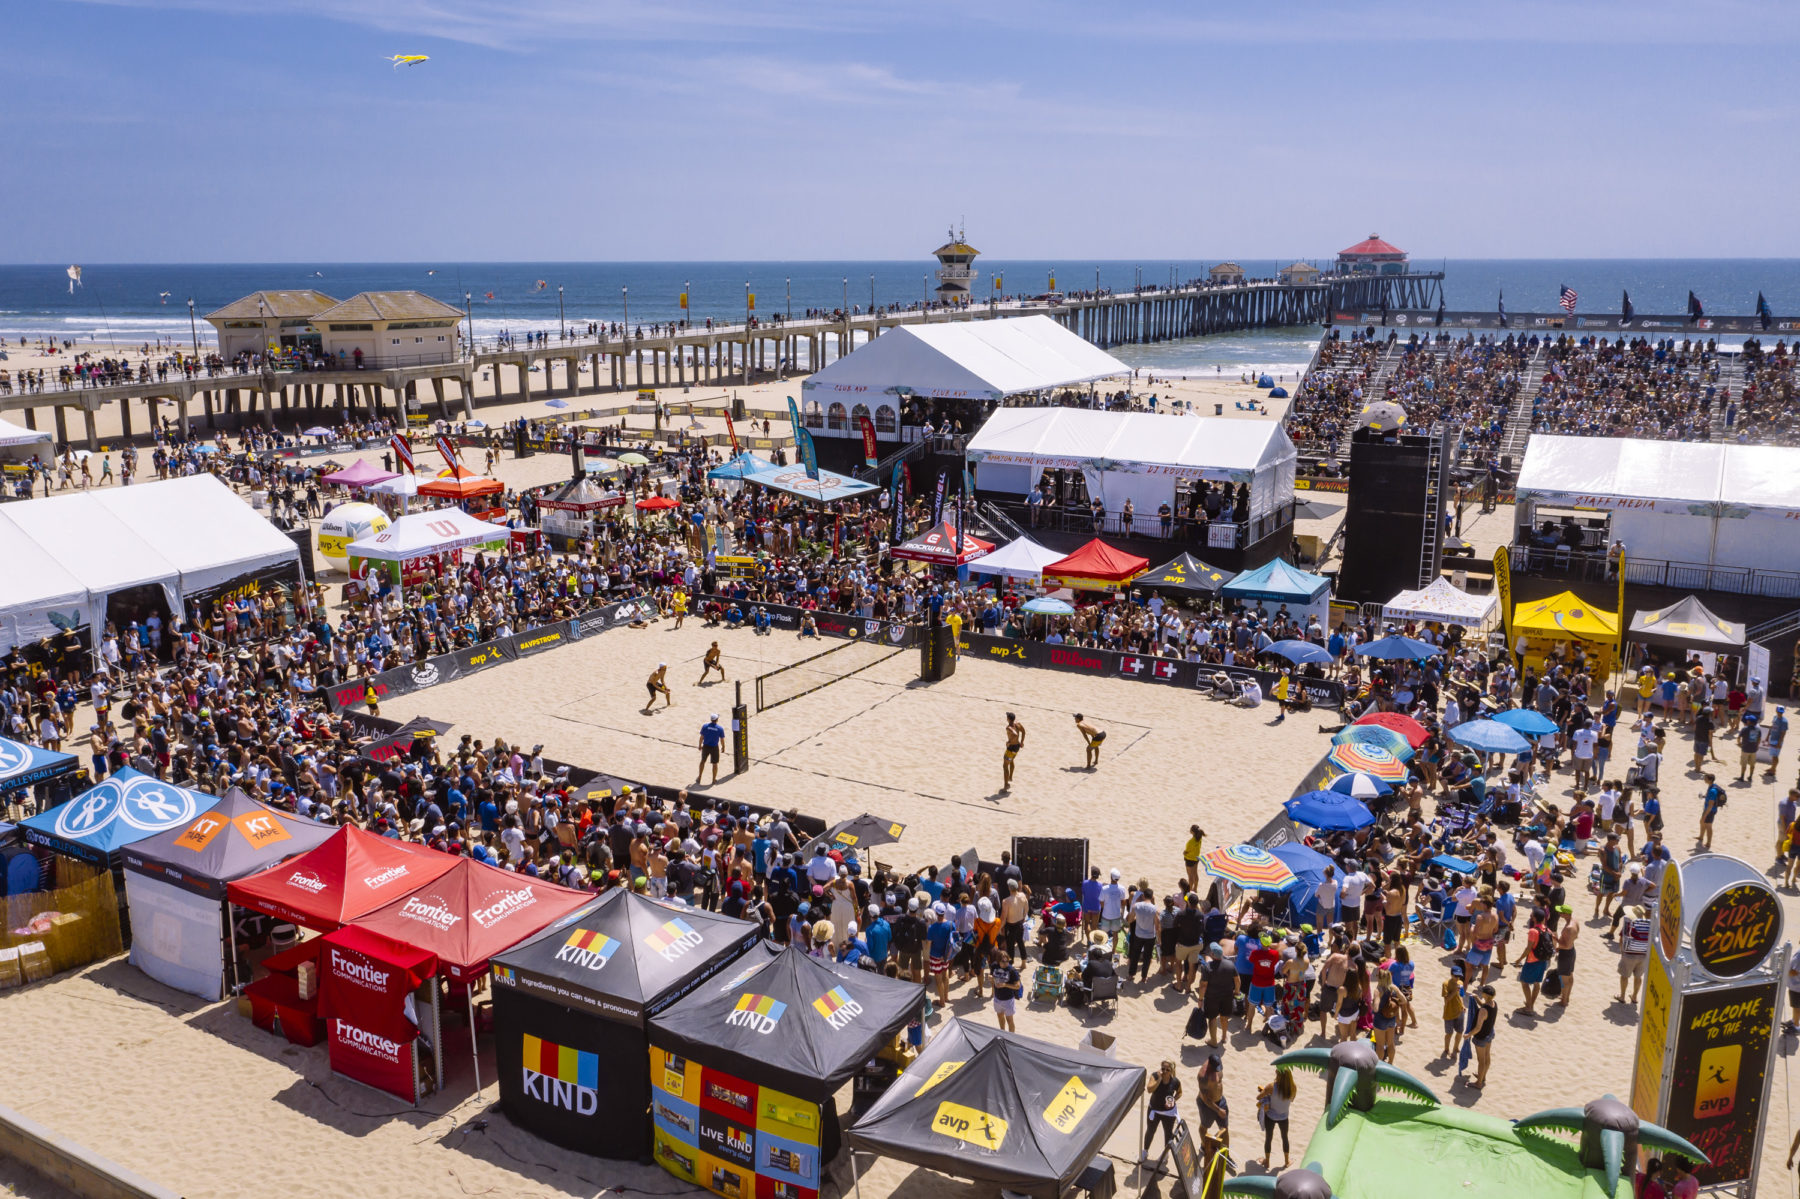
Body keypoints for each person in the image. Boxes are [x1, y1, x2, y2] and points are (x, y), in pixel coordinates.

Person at [1257, 1066, 1296, 1170]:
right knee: (1285, 1138)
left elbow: (1259, 1097)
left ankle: (1267, 1162)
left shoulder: (1271, 1086)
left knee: (1268, 1138)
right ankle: (1287, 1161)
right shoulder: (1293, 1087)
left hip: (1271, 1116)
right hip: (1284, 1117)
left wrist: (1265, 1093)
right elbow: (1292, 1100)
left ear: (1279, 1075)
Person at [1143, 1061, 1182, 1164]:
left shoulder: (1175, 1082)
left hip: (1168, 1113)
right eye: (1163, 1068)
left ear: (1171, 1071)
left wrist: (1173, 1100)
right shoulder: (1155, 1076)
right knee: (1150, 1130)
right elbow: (1149, 1089)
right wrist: (1159, 1079)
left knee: (1168, 1133)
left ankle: (1165, 1154)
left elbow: (1180, 1093)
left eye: (1167, 1070)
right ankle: (1145, 1151)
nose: (1164, 1071)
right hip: (1154, 1110)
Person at [1617, 904, 1651, 1005]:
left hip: (1629, 954)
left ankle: (1622, 996)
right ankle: (1634, 997)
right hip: (1643, 955)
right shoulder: (1648, 926)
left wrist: (1622, 952)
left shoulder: (1629, 924)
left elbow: (1621, 939)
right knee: (1638, 977)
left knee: (1624, 976)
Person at [1467, 984, 1499, 1087]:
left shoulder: (1483, 1010)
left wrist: (1468, 1035)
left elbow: (1478, 1028)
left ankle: (1478, 1083)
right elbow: (1485, 1007)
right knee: (1487, 1056)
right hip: (1489, 1033)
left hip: (1481, 1037)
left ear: (1485, 995)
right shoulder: (1494, 1003)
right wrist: (1477, 999)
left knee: (1481, 1060)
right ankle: (1483, 1076)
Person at [990, 948, 1020, 1031]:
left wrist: (1005, 985)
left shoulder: (1012, 970)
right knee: (1000, 1017)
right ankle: (1003, 1033)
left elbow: (1017, 986)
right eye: (1003, 961)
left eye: (1007, 961)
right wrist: (991, 979)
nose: (1006, 963)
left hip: (1008, 999)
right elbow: (993, 979)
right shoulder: (994, 966)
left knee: (1009, 1020)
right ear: (998, 961)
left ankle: (1011, 1037)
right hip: (997, 998)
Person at [695, 713, 726, 786]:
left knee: (702, 761)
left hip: (706, 746)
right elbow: (722, 739)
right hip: (714, 747)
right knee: (715, 764)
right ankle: (713, 780)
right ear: (717, 720)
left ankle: (699, 777)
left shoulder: (705, 726)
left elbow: (701, 737)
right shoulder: (720, 728)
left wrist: (699, 745)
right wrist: (723, 747)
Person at [1698, 773, 1725, 850]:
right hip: (1707, 809)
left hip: (1710, 810)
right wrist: (1703, 796)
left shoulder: (1713, 790)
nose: (1704, 779)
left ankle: (1708, 843)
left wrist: (1705, 815)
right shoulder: (1711, 786)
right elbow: (1709, 798)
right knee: (1702, 822)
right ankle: (1701, 837)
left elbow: (1711, 804)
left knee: (1708, 826)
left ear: (1710, 780)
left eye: (1705, 778)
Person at [1002, 711, 1026, 790]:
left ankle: (1006, 785)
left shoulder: (1008, 727)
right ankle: (1010, 777)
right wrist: (1022, 742)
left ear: (1008, 719)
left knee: (1005, 766)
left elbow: (1015, 734)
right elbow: (1023, 731)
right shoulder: (1018, 724)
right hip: (1017, 747)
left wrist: (1009, 742)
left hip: (1011, 748)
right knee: (1011, 760)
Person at [1184, 824, 1206, 890]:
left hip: (1189, 859)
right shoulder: (1199, 837)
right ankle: (1195, 888)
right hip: (1196, 858)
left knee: (1190, 876)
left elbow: (1187, 851)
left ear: (1192, 832)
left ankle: (1190, 890)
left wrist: (1184, 852)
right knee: (1195, 874)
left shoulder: (1190, 842)